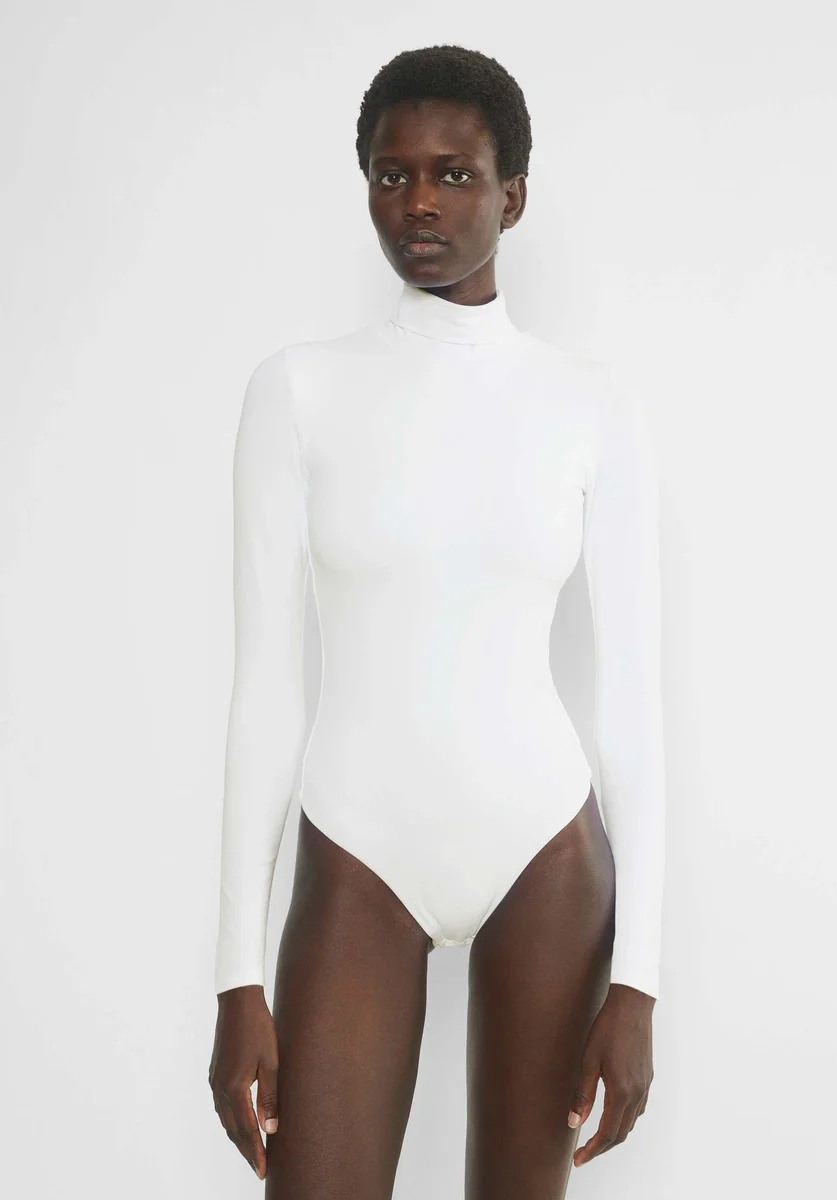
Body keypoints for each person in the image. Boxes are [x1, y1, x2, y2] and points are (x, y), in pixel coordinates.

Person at [208, 43, 666, 1198]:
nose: (417, 201)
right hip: (357, 850)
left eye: (453, 174)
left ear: (513, 196)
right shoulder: (297, 391)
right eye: (390, 173)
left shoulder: (589, 406)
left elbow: (632, 695)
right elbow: (267, 687)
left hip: (542, 853)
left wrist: (641, 980)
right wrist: (235, 976)